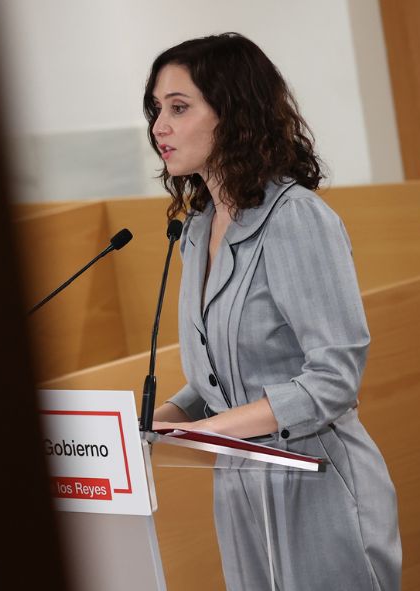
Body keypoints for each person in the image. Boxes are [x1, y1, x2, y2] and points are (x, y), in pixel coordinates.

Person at [145, 33, 401, 590]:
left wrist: (208, 429)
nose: (159, 126)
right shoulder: (196, 231)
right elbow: (225, 373)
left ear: (233, 112)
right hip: (239, 484)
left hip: (316, 480)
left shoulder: (294, 219)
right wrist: (163, 417)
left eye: (179, 108)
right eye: (156, 109)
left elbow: (334, 379)